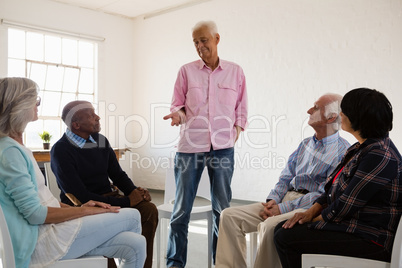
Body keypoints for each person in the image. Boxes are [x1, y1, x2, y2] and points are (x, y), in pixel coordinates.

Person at [0, 77, 146, 268]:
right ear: (19, 105)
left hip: (48, 231)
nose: (37, 104)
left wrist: (84, 209)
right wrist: (84, 211)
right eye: (35, 100)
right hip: (40, 241)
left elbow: (42, 201)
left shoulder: (15, 146)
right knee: (133, 215)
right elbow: (35, 214)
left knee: (135, 244)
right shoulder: (10, 151)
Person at [215, 93, 350, 268]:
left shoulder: (344, 152)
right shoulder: (305, 144)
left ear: (331, 117)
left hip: (308, 208)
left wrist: (282, 208)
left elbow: (323, 195)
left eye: (316, 108)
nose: (309, 110)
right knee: (229, 215)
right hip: (284, 201)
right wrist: (273, 201)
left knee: (270, 226)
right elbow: (285, 178)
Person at [274, 88, 402, 268]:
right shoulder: (361, 148)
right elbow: (330, 188)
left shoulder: (380, 155)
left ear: (359, 118)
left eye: (345, 111)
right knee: (283, 229)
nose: (340, 115)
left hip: (370, 237)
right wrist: (310, 212)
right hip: (353, 226)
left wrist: (310, 219)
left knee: (285, 236)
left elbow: (345, 205)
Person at [163, 20, 248, 268]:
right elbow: (177, 104)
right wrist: (177, 115)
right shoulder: (186, 71)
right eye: (195, 42)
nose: (200, 46)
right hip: (190, 148)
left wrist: (236, 131)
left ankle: (220, 262)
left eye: (204, 40)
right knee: (181, 211)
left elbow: (241, 107)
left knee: (222, 211)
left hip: (223, 148)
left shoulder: (236, 71)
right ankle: (174, 264)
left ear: (217, 39)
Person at [50, 100, 158, 268]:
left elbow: (117, 175)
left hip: (109, 199)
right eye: (92, 115)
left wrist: (135, 192)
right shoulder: (61, 150)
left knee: (148, 209)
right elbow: (80, 197)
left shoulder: (100, 140)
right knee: (112, 218)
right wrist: (128, 201)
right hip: (84, 206)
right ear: (76, 124)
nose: (98, 117)